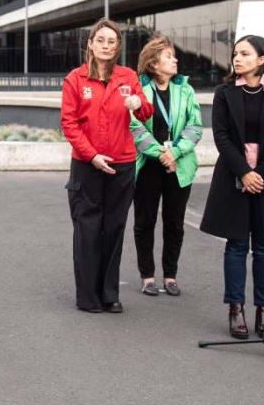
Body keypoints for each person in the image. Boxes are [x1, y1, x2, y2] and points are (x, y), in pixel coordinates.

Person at [200, 35, 264, 339]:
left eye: (245, 53)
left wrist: (261, 174)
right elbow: (222, 136)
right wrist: (244, 172)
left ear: (262, 59)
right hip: (233, 174)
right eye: (236, 53)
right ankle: (235, 308)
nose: (237, 58)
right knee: (237, 244)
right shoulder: (225, 92)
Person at [61, 19, 153, 314]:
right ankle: (88, 296)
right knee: (88, 229)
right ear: (90, 43)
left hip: (122, 164)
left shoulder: (127, 76)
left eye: (111, 41)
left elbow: (147, 112)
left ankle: (109, 293)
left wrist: (138, 101)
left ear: (117, 47)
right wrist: (91, 155)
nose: (105, 46)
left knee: (114, 228)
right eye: (100, 40)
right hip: (87, 166)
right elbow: (69, 124)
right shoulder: (75, 79)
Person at [130, 36, 202, 297]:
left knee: (175, 222)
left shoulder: (186, 90)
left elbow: (195, 126)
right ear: (153, 62)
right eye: (169, 56)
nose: (175, 60)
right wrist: (160, 152)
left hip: (178, 165)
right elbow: (133, 125)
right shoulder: (138, 89)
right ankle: (147, 276)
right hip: (148, 165)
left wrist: (175, 152)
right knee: (144, 221)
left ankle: (170, 275)